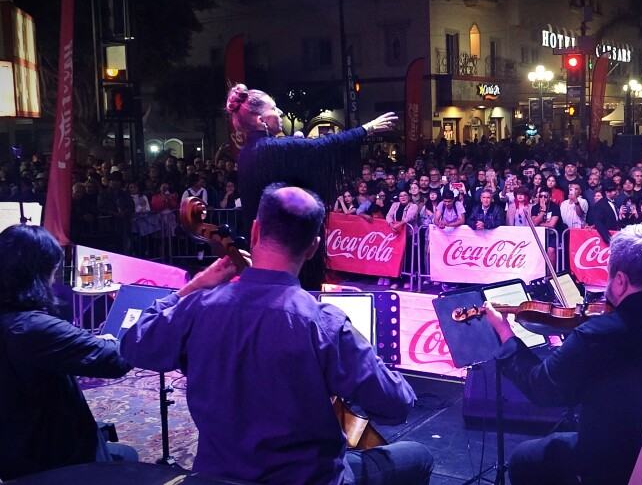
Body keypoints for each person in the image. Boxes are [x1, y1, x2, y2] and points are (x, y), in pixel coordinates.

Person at [120, 185, 433, 484]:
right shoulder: (324, 324)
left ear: (255, 231)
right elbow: (397, 406)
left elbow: (134, 343)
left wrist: (196, 286)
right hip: (307, 478)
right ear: (313, 247)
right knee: (417, 456)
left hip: (219, 477)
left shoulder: (199, 307)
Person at [483, 224, 642, 484]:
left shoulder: (602, 335)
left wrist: (505, 333)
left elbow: (541, 388)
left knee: (525, 458)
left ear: (620, 281)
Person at [0, 225, 137, 481]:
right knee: (128, 459)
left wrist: (82, 343)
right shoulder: (31, 328)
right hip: (50, 458)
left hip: (13, 445)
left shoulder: (15, 321)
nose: (55, 279)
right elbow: (116, 361)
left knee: (123, 453)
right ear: (37, 273)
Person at [229, 84, 396, 290]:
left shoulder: (250, 151)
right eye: (274, 108)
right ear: (260, 120)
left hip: (266, 246)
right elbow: (320, 148)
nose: (280, 112)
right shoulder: (269, 149)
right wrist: (366, 129)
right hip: (283, 248)